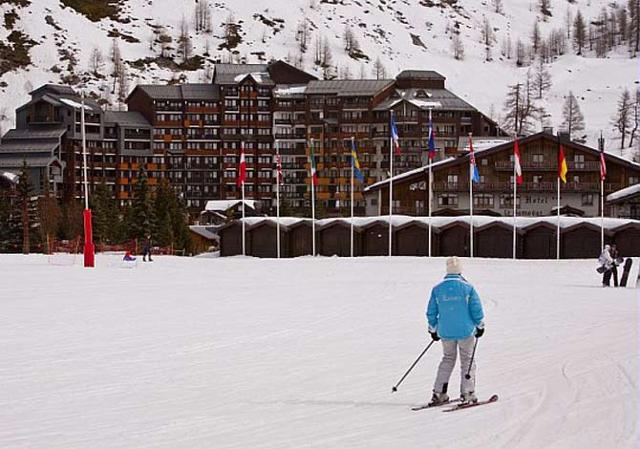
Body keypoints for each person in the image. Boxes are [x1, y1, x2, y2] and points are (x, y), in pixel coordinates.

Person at [426, 257, 485, 406]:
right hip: (466, 331)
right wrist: (480, 325)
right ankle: (468, 393)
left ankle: (439, 392)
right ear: (460, 270)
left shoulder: (437, 289)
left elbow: (431, 312)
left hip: (445, 331)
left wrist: (433, 329)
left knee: (447, 359)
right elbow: (476, 310)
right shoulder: (468, 288)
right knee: (467, 360)